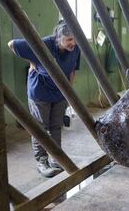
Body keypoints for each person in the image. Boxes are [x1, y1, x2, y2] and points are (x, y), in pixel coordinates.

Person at [8, 20, 80, 178]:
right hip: (40, 93)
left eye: (74, 39)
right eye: (69, 39)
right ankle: (42, 162)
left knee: (55, 126)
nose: (73, 43)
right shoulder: (43, 44)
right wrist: (32, 60)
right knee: (40, 128)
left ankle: (56, 159)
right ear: (58, 38)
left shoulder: (75, 49)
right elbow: (12, 44)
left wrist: (68, 92)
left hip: (59, 94)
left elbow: (72, 71)